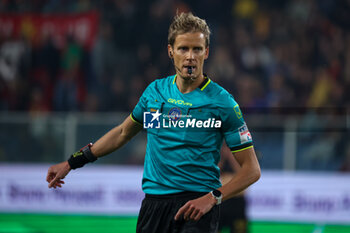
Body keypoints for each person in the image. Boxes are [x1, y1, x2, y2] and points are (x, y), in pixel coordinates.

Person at [46, 12, 261, 233]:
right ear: (171, 51)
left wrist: (213, 197)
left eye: (197, 49)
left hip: (198, 208)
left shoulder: (222, 103)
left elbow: (252, 170)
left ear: (206, 52)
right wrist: (72, 162)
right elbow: (122, 133)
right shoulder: (155, 93)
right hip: (153, 207)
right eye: (183, 48)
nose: (190, 56)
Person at [218, 143, 249, 233]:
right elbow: (215, 171)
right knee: (215, 228)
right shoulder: (219, 156)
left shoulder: (242, 157)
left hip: (237, 199)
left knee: (239, 229)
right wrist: (223, 156)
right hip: (222, 199)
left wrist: (231, 156)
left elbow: (242, 172)